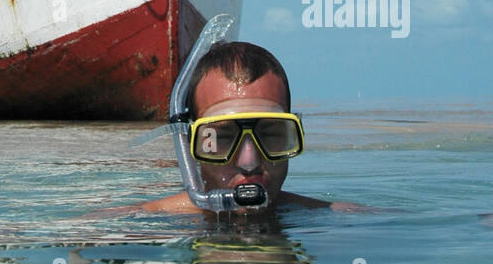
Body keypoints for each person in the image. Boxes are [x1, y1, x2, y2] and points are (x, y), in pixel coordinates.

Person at [137, 39, 359, 213]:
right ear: (190, 145)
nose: (249, 163)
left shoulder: (340, 220)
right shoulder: (140, 225)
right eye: (223, 137)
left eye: (271, 135)